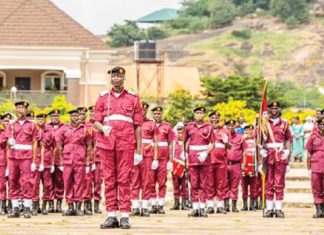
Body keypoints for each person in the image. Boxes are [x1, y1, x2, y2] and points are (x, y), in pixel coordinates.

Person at [93, 66, 142, 229]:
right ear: (110, 78)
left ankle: (125, 215)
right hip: (107, 143)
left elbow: (138, 126)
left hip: (126, 143)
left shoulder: (133, 98)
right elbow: (95, 121)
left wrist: (139, 151)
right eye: (114, 76)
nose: (117, 79)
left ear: (123, 78)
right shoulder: (102, 98)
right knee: (109, 179)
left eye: (120, 77)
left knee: (124, 179)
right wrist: (102, 128)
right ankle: (112, 215)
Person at [258, 101, 292, 218]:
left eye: (276, 108)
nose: (274, 110)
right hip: (267, 155)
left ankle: (278, 208)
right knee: (268, 182)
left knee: (279, 182)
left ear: (279, 109)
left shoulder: (285, 123)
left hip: (280, 155)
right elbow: (259, 141)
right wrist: (260, 153)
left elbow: (288, 139)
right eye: (271, 108)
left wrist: (288, 153)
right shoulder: (264, 123)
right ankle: (269, 208)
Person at [56, 109, 92, 216]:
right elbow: (59, 145)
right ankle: (70, 206)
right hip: (67, 160)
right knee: (67, 183)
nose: (75, 118)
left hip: (80, 160)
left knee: (79, 183)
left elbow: (89, 146)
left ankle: (78, 207)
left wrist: (87, 162)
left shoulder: (85, 129)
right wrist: (61, 161)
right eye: (73, 116)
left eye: (77, 116)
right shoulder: (63, 129)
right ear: (70, 117)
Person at [6, 101, 37, 218]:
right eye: (18, 107)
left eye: (23, 108)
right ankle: (15, 208)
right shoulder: (12, 124)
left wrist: (34, 160)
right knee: (13, 181)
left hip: (26, 157)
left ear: (26, 110)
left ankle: (27, 208)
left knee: (27, 181)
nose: (20, 109)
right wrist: (10, 140)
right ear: (15, 110)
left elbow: (35, 142)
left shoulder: (32, 124)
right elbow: (8, 139)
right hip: (14, 157)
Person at [184, 106, 215, 217]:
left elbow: (213, 143)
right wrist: (185, 154)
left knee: (204, 184)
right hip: (192, 159)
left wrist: (206, 152)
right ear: (194, 114)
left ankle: (202, 207)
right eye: (197, 113)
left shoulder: (209, 127)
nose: (199, 115)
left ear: (204, 115)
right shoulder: (189, 127)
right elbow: (184, 141)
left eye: (201, 113)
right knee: (194, 183)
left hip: (204, 159)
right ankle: (195, 208)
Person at [131, 102, 158, 217]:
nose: (142, 112)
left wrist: (155, 159)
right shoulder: (131, 122)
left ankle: (145, 206)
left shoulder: (152, 123)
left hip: (147, 155)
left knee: (147, 181)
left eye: (144, 111)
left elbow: (155, 141)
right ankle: (135, 206)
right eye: (140, 110)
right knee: (134, 180)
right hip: (134, 155)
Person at [150, 106, 173, 214]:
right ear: (152, 115)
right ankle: (153, 204)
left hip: (163, 158)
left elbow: (171, 144)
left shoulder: (167, 126)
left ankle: (161, 205)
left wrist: (170, 161)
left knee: (162, 182)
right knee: (151, 181)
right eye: (155, 114)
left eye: (159, 114)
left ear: (162, 114)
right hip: (151, 157)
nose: (157, 115)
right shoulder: (149, 125)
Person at [206, 111, 231, 214]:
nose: (214, 119)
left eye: (216, 118)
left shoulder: (225, 131)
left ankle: (220, 206)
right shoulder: (206, 130)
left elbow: (230, 147)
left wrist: (226, 142)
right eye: (212, 118)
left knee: (221, 183)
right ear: (209, 119)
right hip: (208, 161)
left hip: (221, 161)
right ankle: (210, 206)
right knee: (209, 183)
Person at [224, 120, 247, 213]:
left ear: (235, 127)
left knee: (234, 185)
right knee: (225, 185)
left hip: (236, 164)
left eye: (232, 126)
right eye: (228, 126)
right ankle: (226, 205)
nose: (230, 127)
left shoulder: (240, 137)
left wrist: (244, 164)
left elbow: (244, 151)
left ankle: (233, 205)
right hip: (225, 164)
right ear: (226, 127)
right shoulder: (223, 137)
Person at [306, 117, 324, 218]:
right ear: (317, 125)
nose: (322, 126)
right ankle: (319, 210)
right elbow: (308, 153)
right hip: (316, 166)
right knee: (316, 189)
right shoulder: (313, 137)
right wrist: (308, 168)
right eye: (320, 124)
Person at [47, 109, 65, 213]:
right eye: (53, 116)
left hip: (60, 159)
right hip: (48, 159)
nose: (55, 117)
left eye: (56, 116)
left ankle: (58, 204)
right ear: (50, 117)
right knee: (48, 183)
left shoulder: (64, 127)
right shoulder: (46, 127)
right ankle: (50, 204)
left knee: (60, 182)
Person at [170, 123, 189, 210]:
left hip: (185, 166)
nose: (180, 134)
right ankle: (176, 203)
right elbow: (171, 154)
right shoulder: (174, 142)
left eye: (182, 132)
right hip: (176, 165)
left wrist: (186, 165)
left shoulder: (188, 143)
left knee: (184, 185)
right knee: (176, 185)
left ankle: (184, 203)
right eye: (179, 133)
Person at [241, 124, 258, 211]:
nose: (249, 132)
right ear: (245, 131)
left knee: (253, 187)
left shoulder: (256, 141)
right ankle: (244, 205)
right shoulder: (241, 140)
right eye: (247, 130)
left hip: (253, 167)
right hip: (244, 167)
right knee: (244, 187)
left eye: (251, 130)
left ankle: (252, 205)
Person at [0, 114, 8, 215]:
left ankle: (2, 207)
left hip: (1, 159)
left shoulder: (4, 133)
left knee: (1, 184)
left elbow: (7, 148)